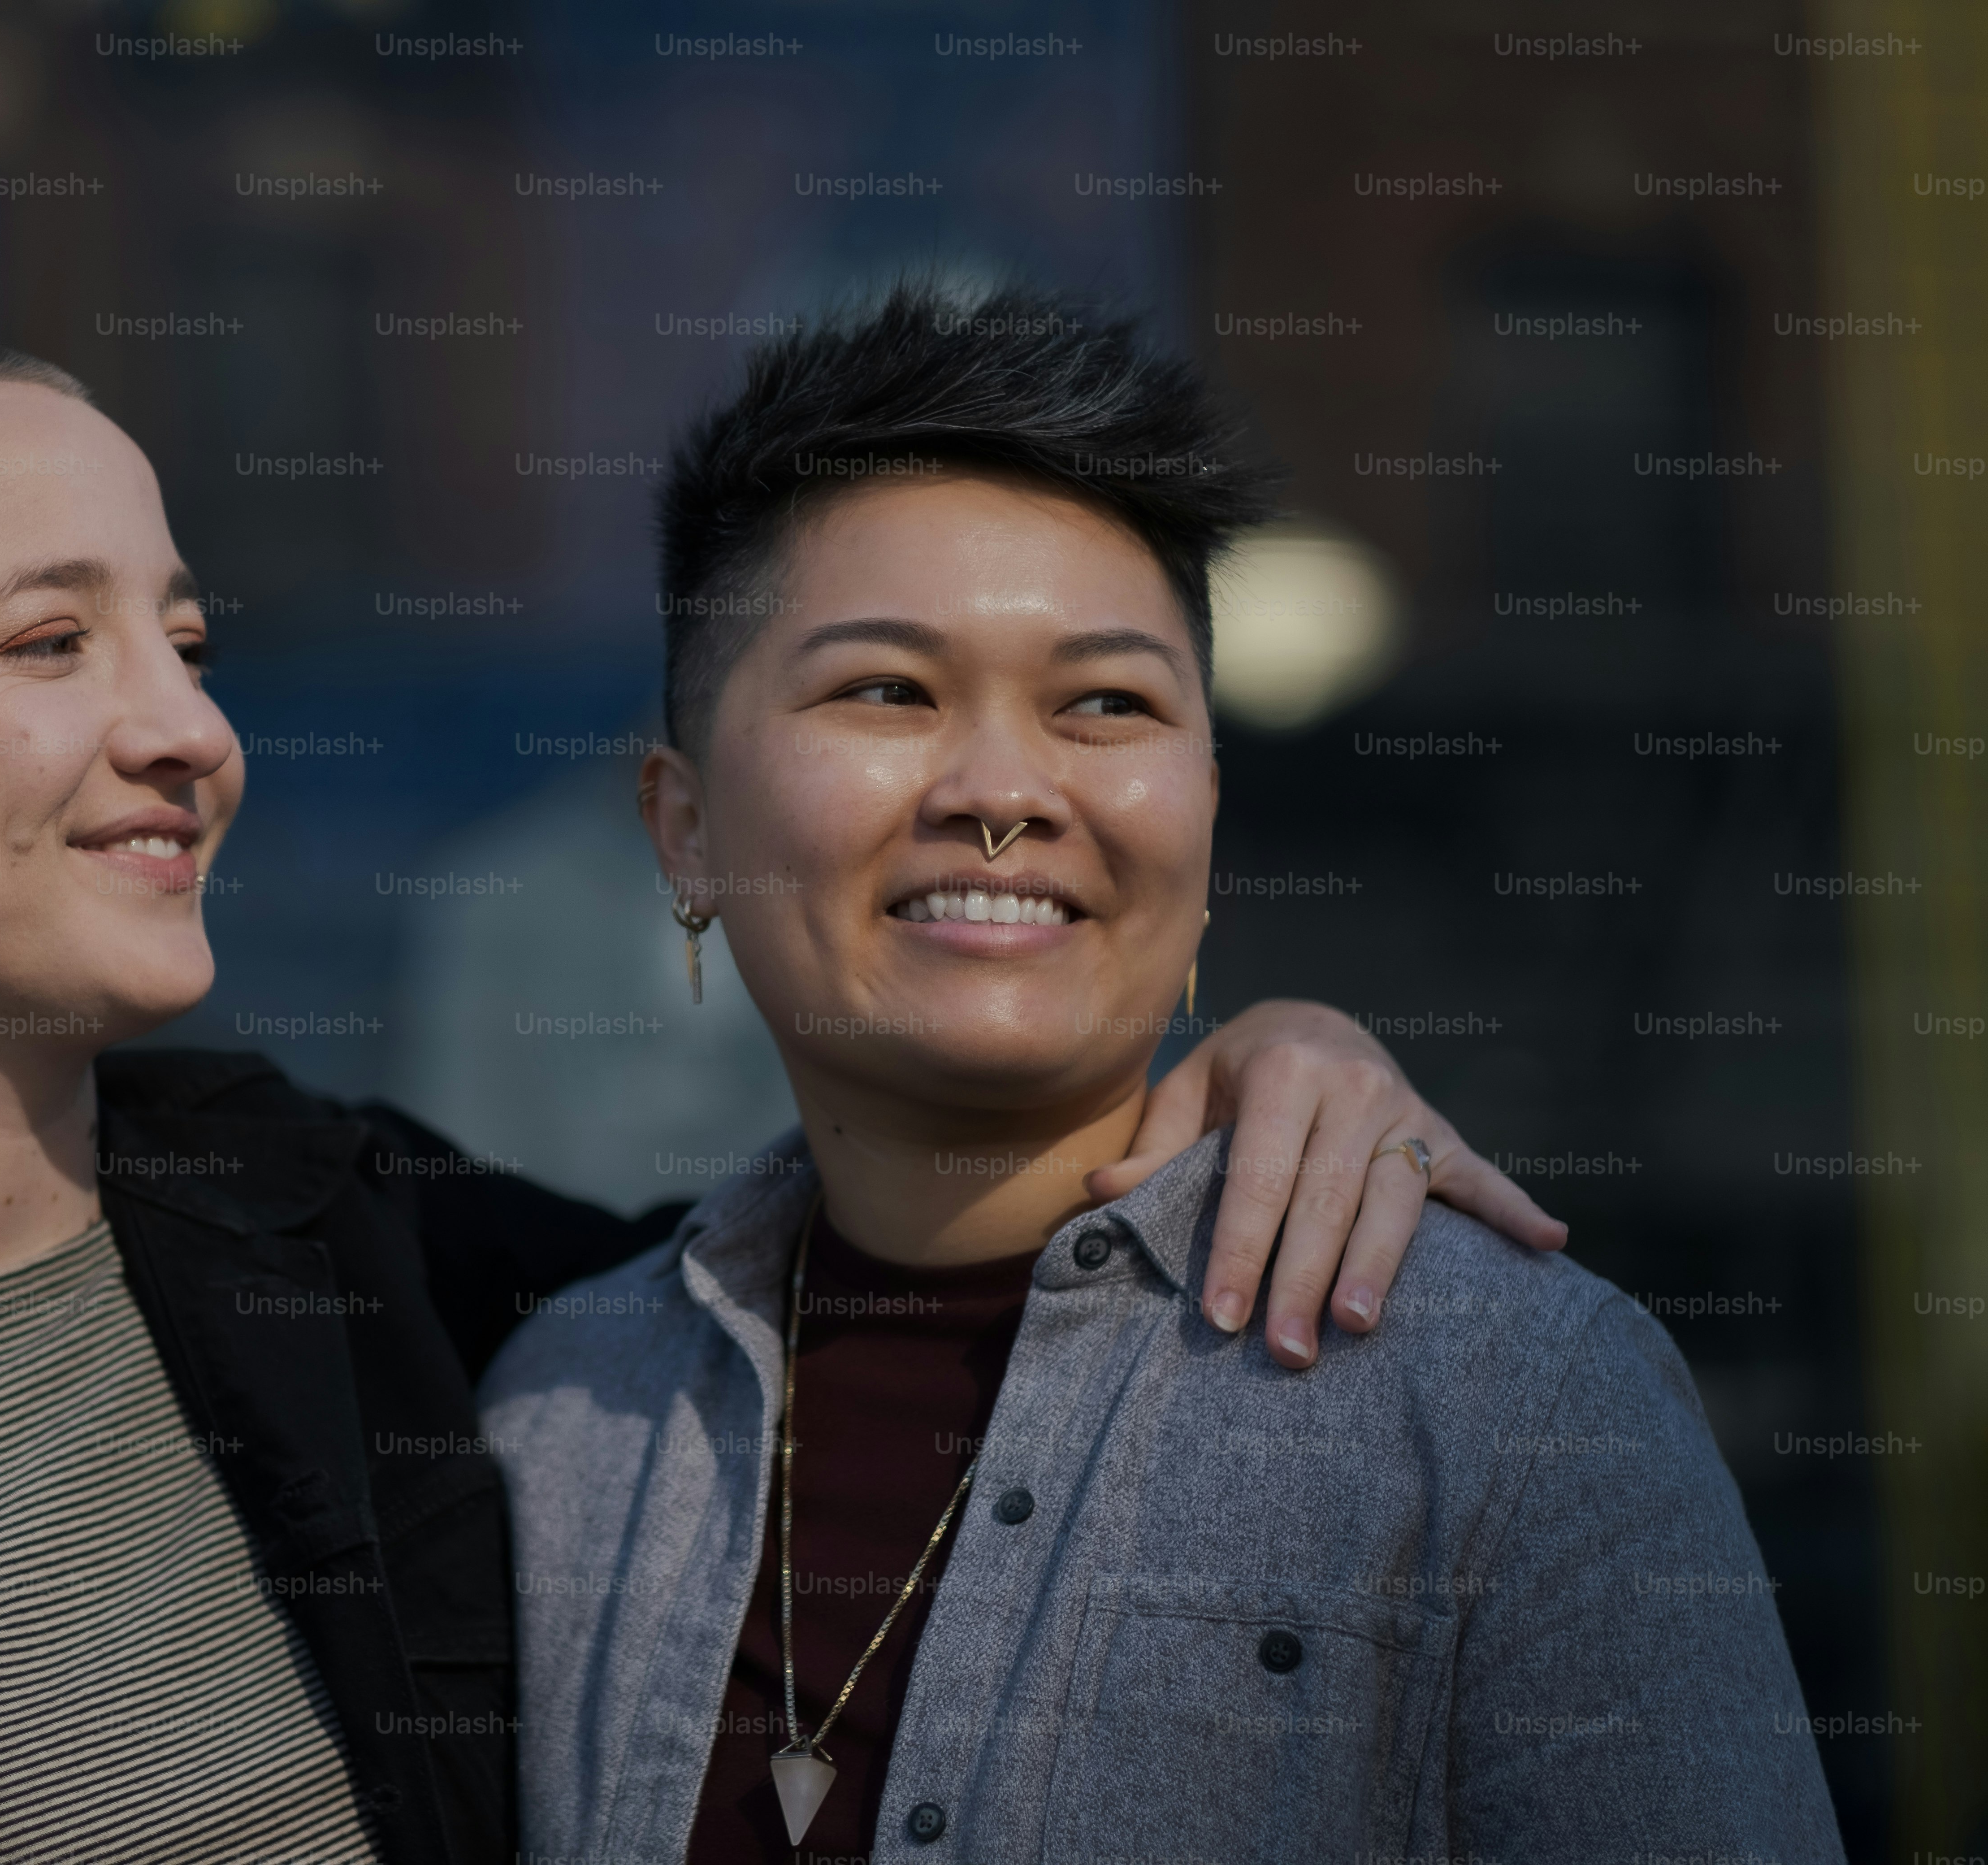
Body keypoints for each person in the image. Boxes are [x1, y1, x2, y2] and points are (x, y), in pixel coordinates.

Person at [0, 343, 1561, 1865]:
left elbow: (869, 1277)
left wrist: (1240, 1069)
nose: (189, 731)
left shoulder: (345, 1247)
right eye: (55, 648)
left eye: (188, 642)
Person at [477, 283, 1843, 1865]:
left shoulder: (1512, 1404)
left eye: (1105, 705)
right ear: (686, 828)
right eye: (887, 691)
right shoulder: (561, 1427)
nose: (1003, 792)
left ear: (1205, 813)